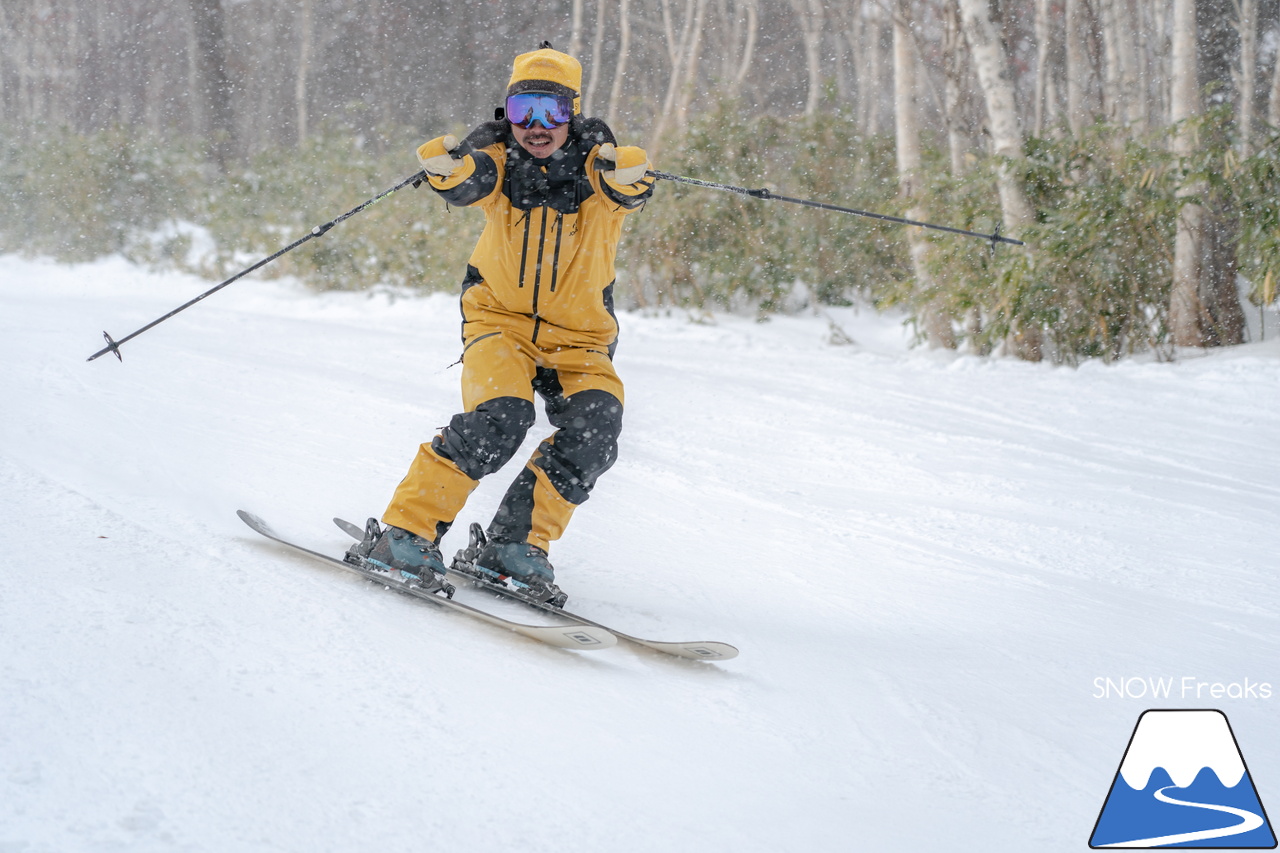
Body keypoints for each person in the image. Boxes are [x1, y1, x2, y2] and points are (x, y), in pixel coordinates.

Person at [347, 43, 654, 603]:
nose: (536, 126)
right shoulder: (499, 161)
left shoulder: (599, 168)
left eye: (552, 112)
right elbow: (467, 181)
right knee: (500, 419)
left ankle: (514, 545)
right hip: (500, 322)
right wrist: (445, 169)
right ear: (506, 114)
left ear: (573, 113)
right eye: (522, 112)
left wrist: (634, 174)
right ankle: (404, 533)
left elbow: (627, 190)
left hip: (580, 339)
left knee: (597, 428)